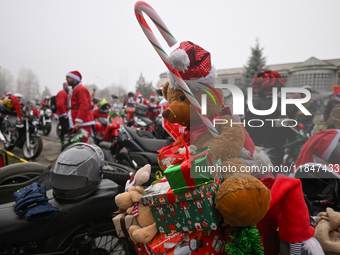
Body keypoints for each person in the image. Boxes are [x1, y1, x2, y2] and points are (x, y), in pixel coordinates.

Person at [245, 70, 294, 167]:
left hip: (258, 152)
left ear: (258, 87)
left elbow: (249, 132)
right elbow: (292, 133)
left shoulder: (253, 106)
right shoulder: (286, 105)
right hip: (279, 150)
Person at [66, 71, 95, 143]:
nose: (66, 79)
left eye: (68, 77)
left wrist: (79, 121)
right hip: (78, 120)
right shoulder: (76, 89)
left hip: (83, 121)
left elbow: (84, 105)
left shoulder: (81, 89)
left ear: (75, 79)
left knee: (83, 142)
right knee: (79, 142)